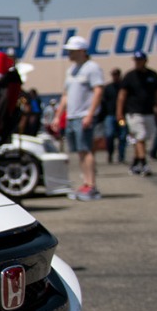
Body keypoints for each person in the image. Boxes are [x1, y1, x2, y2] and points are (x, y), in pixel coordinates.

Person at [53, 36, 104, 200]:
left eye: (72, 51)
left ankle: (91, 185)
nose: (69, 53)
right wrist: (58, 116)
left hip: (83, 116)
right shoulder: (71, 70)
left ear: (82, 51)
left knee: (86, 150)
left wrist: (90, 114)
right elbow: (65, 95)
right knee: (80, 152)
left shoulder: (92, 68)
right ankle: (86, 183)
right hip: (72, 116)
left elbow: (98, 91)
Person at [116, 51, 157, 176]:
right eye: (136, 60)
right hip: (134, 112)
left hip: (148, 112)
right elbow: (122, 95)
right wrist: (119, 112)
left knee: (143, 138)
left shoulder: (153, 75)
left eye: (140, 60)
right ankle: (144, 164)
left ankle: (135, 163)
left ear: (145, 61)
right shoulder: (130, 76)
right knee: (140, 137)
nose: (138, 62)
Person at [100, 69, 125, 166]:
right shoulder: (108, 88)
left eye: (117, 75)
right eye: (113, 75)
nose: (115, 77)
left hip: (121, 117)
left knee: (122, 136)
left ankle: (121, 156)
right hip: (110, 116)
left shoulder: (123, 87)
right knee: (109, 135)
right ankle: (110, 153)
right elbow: (103, 102)